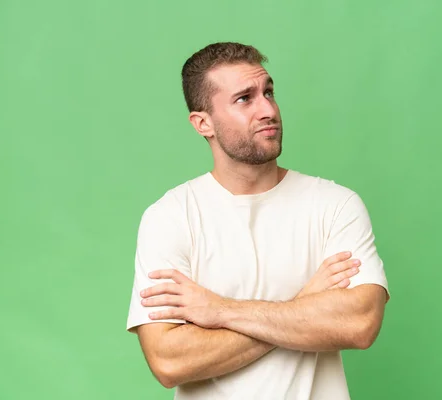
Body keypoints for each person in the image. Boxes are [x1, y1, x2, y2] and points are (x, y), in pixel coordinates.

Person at [126, 42, 390, 400]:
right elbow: (169, 361)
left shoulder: (336, 205)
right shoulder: (170, 217)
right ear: (203, 123)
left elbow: (359, 324)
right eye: (244, 99)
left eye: (268, 92)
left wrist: (219, 311)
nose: (268, 109)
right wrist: (304, 303)